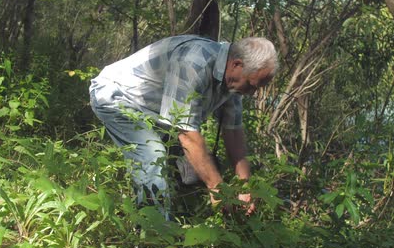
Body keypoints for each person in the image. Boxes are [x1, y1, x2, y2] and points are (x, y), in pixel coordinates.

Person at [89, 35, 278, 218]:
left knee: (190, 170)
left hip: (156, 113)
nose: (252, 93)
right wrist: (218, 190)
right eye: (252, 85)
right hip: (117, 98)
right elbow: (187, 135)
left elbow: (234, 133)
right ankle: (155, 235)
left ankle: (173, 219)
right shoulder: (194, 62)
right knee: (153, 156)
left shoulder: (234, 82)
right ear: (237, 64)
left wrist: (245, 187)